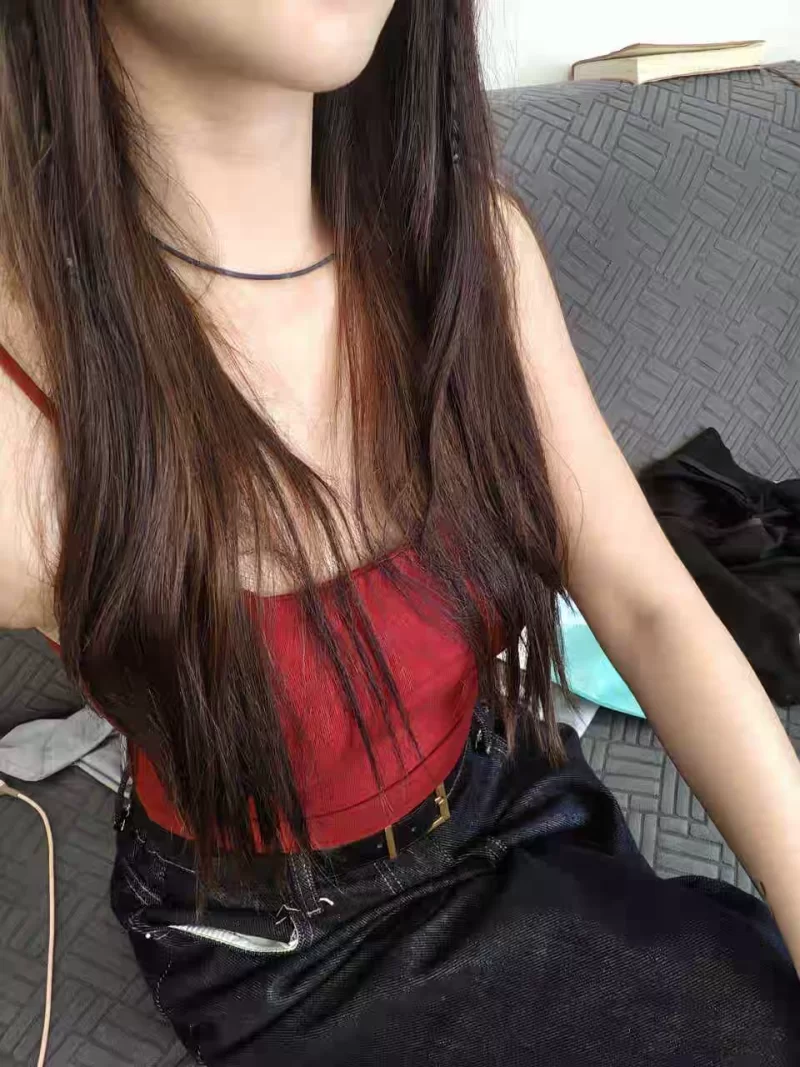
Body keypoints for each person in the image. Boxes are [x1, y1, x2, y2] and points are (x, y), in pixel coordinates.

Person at [0, 2, 798, 1064]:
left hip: (508, 792)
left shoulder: (470, 251)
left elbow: (645, 601)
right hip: (282, 946)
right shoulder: (23, 404)